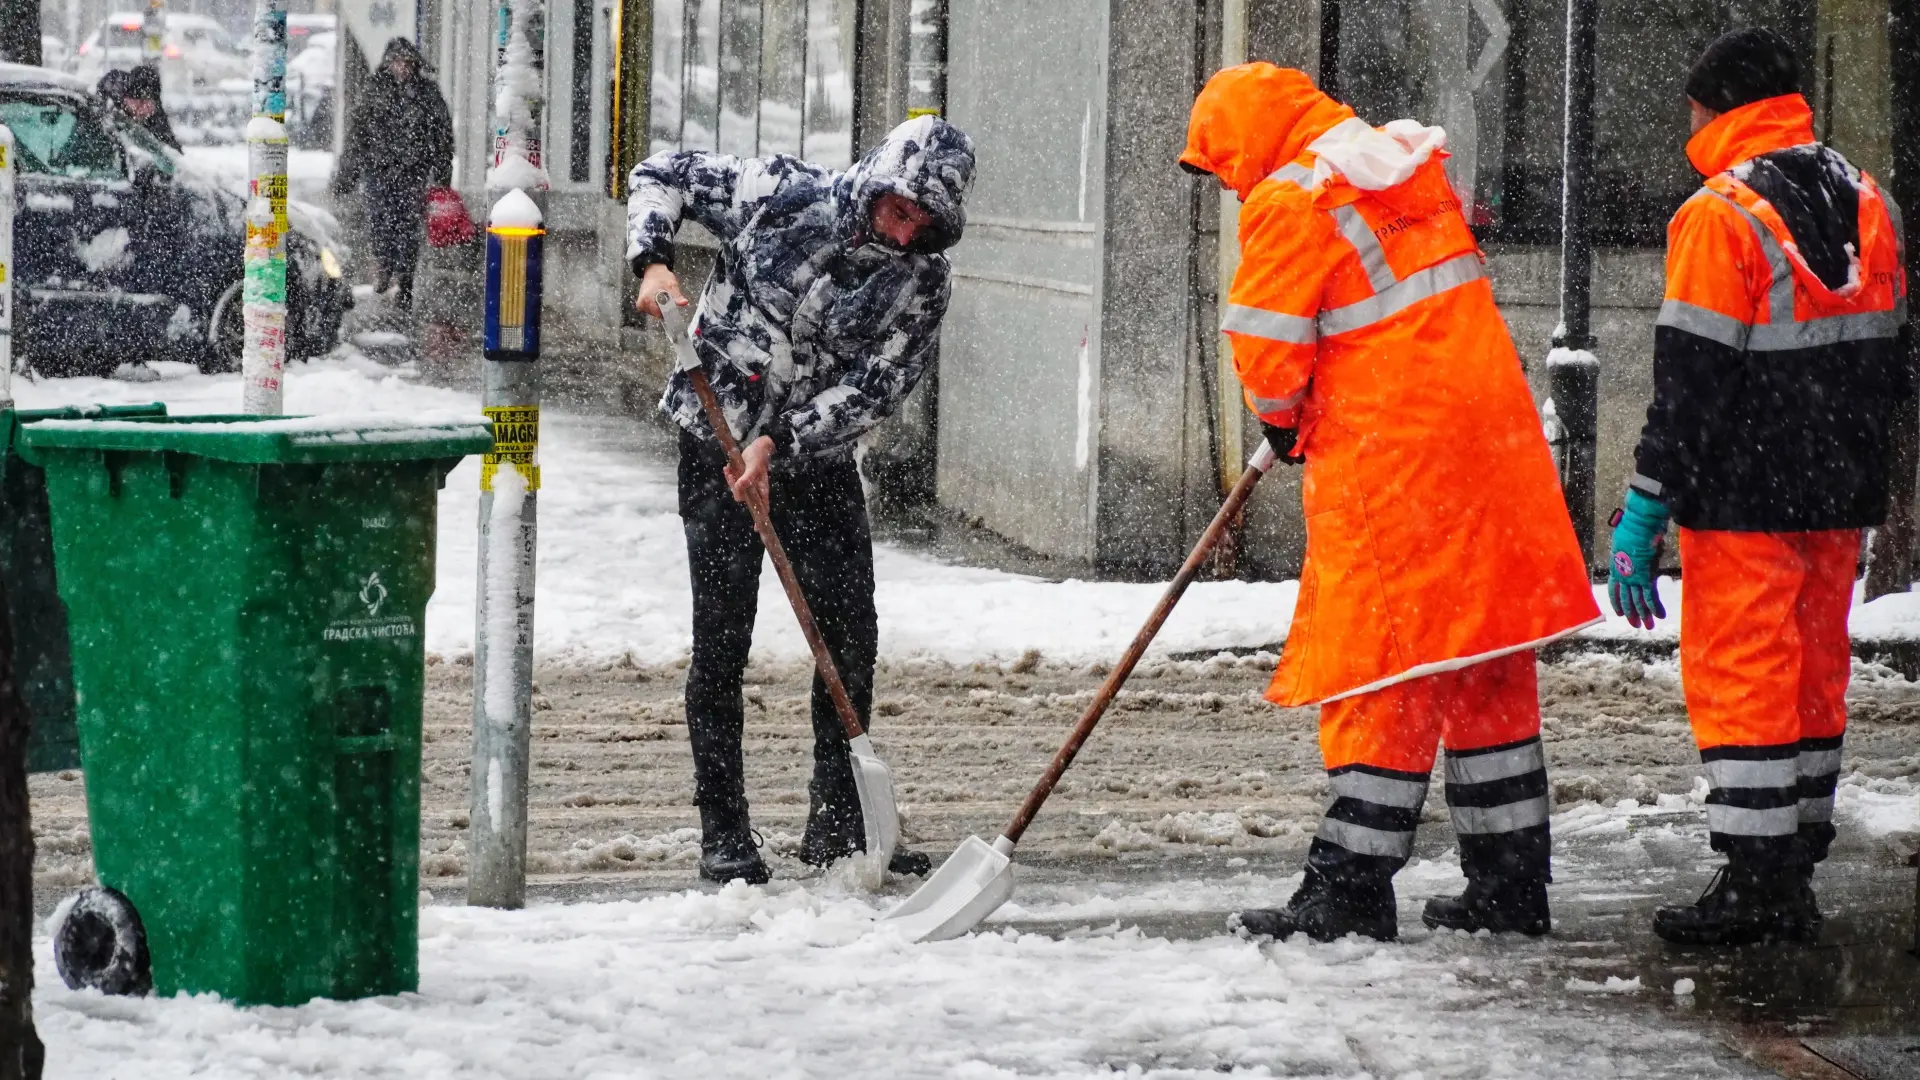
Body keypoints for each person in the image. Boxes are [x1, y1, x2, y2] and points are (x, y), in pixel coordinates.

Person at [1180, 63, 1600, 942]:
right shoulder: (1405, 169)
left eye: (1225, 166)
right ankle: (1511, 884)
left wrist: (1283, 420)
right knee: (1486, 659)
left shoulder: (1292, 199)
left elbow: (1268, 345)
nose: (1231, 185)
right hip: (1493, 448)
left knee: (1383, 665)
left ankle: (1350, 888)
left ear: (1247, 140)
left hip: (1398, 460)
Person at [1608, 29, 1907, 946]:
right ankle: (1795, 863)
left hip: (1744, 493)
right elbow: (1893, 352)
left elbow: (1690, 380)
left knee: (1745, 675)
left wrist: (1647, 502)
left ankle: (1755, 879)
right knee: (1815, 676)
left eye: (1696, 108)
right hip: (1840, 491)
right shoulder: (1867, 198)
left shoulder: (1720, 214)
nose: (1689, 124)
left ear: (1722, 108)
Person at [628, 116, 974, 885]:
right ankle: (725, 832)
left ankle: (838, 826)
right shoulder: (784, 195)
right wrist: (651, 262)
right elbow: (660, 173)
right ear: (878, 177)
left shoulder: (923, 281)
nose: (905, 225)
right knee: (722, 637)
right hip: (715, 442)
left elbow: (877, 386)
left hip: (811, 463)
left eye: (925, 219)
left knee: (848, 636)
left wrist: (780, 441)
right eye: (899, 204)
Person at [333, 38, 452, 311]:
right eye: (396, 62)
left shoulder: (427, 94)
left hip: (413, 173)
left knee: (408, 228)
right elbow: (356, 136)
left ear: (413, 64)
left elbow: (442, 136)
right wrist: (347, 175)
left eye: (406, 62)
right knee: (381, 223)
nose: (401, 68)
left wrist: (443, 174)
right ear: (388, 64)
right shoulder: (374, 91)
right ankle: (385, 267)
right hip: (378, 172)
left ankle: (406, 281)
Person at [99, 66, 179, 152]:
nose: (142, 108)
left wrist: (172, 145)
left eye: (148, 101)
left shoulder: (155, 117)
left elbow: (167, 138)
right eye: (139, 101)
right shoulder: (114, 86)